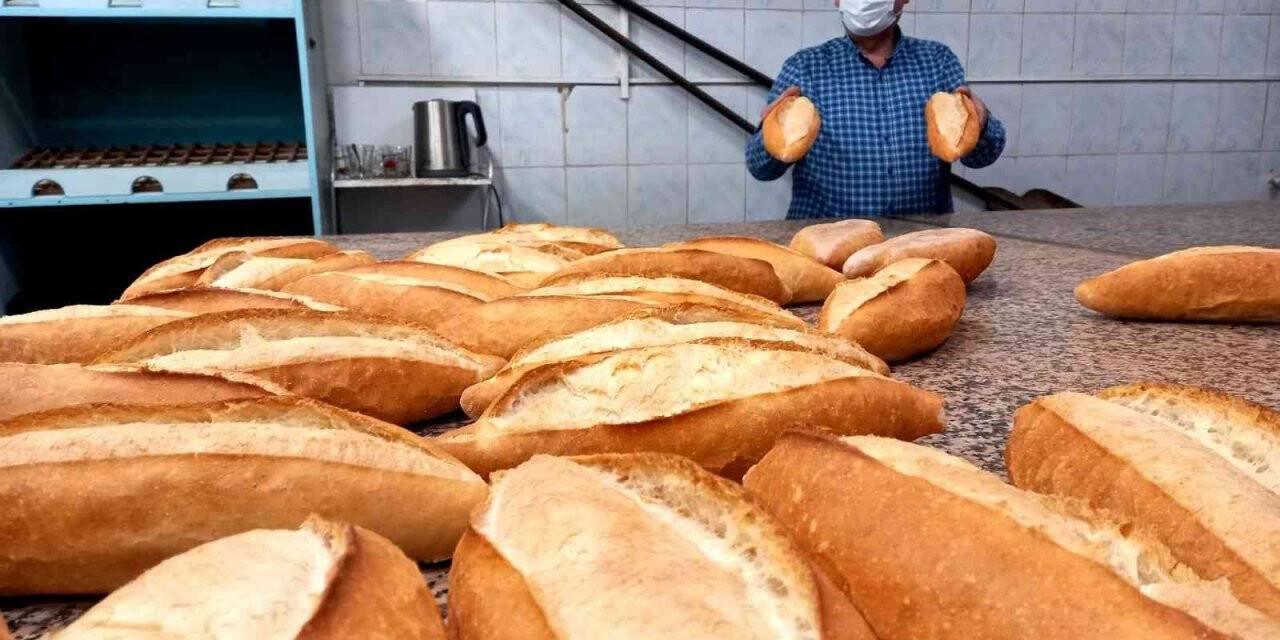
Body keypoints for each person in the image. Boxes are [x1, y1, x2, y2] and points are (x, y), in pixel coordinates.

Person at [746, 0, 1005, 218]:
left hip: (919, 243)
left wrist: (981, 122)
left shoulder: (937, 62)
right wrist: (770, 137)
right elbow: (761, 169)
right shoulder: (806, 67)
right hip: (827, 246)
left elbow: (980, 158)